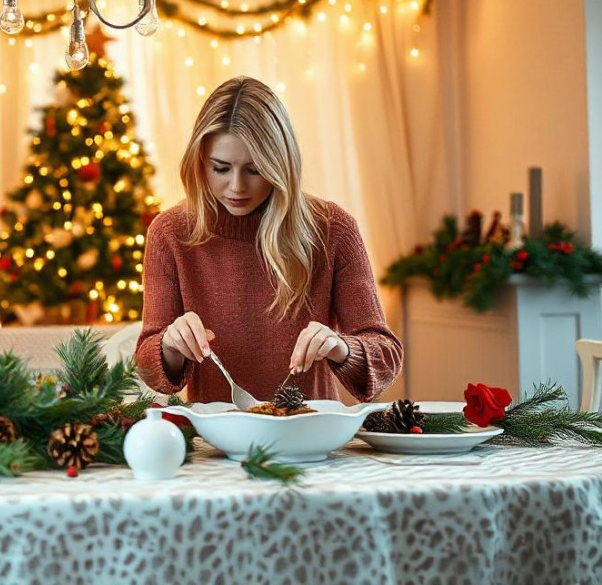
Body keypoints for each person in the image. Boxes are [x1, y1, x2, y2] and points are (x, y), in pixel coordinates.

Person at [135, 77, 402, 404]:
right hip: (215, 445)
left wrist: (340, 347)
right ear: (201, 161)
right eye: (221, 169)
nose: (236, 187)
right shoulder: (169, 233)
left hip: (309, 440)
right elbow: (149, 368)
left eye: (255, 170)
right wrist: (169, 345)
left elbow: (385, 357)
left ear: (281, 165)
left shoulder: (334, 229)